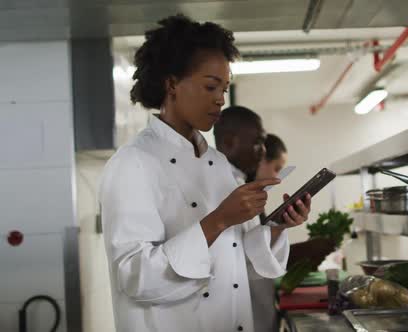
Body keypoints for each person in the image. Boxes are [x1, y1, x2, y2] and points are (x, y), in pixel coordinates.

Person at [99, 14, 312, 332]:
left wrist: (278, 226)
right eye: (211, 86)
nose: (221, 100)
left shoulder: (221, 166)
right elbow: (134, 276)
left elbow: (240, 258)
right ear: (171, 84)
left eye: (225, 88)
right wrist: (219, 220)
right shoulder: (133, 165)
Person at [215, 112, 292, 331]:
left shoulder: (239, 184)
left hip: (256, 306)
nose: (263, 150)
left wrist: (280, 226)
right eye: (258, 142)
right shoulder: (222, 189)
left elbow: (250, 248)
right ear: (229, 142)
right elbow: (237, 258)